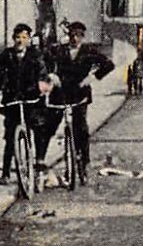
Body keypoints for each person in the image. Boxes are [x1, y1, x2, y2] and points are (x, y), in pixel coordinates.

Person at [38, 21, 115, 177]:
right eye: (72, 35)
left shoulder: (89, 51)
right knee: (49, 125)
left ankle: (84, 162)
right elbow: (43, 62)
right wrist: (52, 76)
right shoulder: (58, 50)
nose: (75, 38)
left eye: (78, 35)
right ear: (68, 35)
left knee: (81, 128)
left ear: (82, 36)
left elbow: (109, 65)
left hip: (80, 94)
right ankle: (40, 160)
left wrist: (92, 77)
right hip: (60, 93)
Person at [0, 23, 49, 184]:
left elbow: (42, 71)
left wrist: (42, 83)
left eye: (24, 37)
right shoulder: (5, 56)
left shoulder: (35, 55)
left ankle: (38, 165)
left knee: (38, 129)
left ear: (29, 39)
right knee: (10, 137)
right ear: (13, 39)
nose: (20, 41)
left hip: (32, 97)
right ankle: (6, 173)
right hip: (12, 98)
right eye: (17, 37)